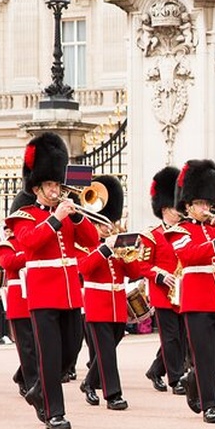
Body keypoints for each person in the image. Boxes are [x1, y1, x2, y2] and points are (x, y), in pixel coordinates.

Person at [9, 132, 99, 429]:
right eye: (50, 185)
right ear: (37, 187)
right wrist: (55, 219)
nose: (55, 190)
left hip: (70, 293)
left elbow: (92, 239)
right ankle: (54, 412)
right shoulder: (24, 215)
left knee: (69, 352)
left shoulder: (67, 212)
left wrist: (76, 218)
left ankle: (38, 391)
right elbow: (29, 243)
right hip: (43, 291)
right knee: (48, 354)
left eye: (57, 184)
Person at [165, 159, 215, 423]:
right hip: (197, 300)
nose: (205, 209)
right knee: (205, 354)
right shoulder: (179, 231)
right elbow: (188, 255)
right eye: (200, 204)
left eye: (208, 204)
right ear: (187, 205)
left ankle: (193, 379)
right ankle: (211, 405)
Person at [79, 175, 144, 411]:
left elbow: (134, 272)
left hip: (117, 303)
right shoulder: (86, 243)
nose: (109, 227)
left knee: (108, 349)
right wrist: (106, 248)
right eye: (104, 224)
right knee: (106, 352)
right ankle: (113, 394)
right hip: (97, 302)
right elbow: (84, 268)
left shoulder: (117, 242)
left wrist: (130, 252)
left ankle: (89, 382)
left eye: (110, 223)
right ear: (95, 224)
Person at [142, 166, 187, 395]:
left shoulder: (184, 232)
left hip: (183, 291)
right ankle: (176, 378)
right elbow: (142, 265)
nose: (177, 213)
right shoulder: (152, 234)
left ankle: (156, 369)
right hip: (162, 292)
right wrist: (160, 275)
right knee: (170, 338)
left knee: (182, 336)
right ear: (163, 208)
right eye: (172, 208)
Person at [0, 191, 38, 398]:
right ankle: (31, 382)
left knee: (38, 345)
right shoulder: (9, 242)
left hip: (36, 293)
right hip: (18, 298)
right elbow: (8, 262)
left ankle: (22, 375)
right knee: (26, 346)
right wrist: (30, 253)